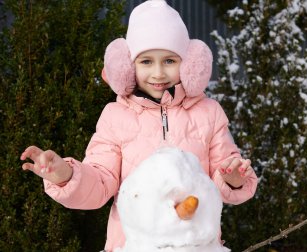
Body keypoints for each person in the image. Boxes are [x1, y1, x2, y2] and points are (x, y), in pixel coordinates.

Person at [20, 0, 258, 250]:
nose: (158, 73)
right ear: (127, 65)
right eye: (146, 61)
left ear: (189, 63)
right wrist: (64, 175)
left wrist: (232, 178)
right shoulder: (115, 116)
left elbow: (223, 177)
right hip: (133, 244)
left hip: (195, 244)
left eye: (169, 61)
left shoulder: (209, 113)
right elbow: (101, 182)